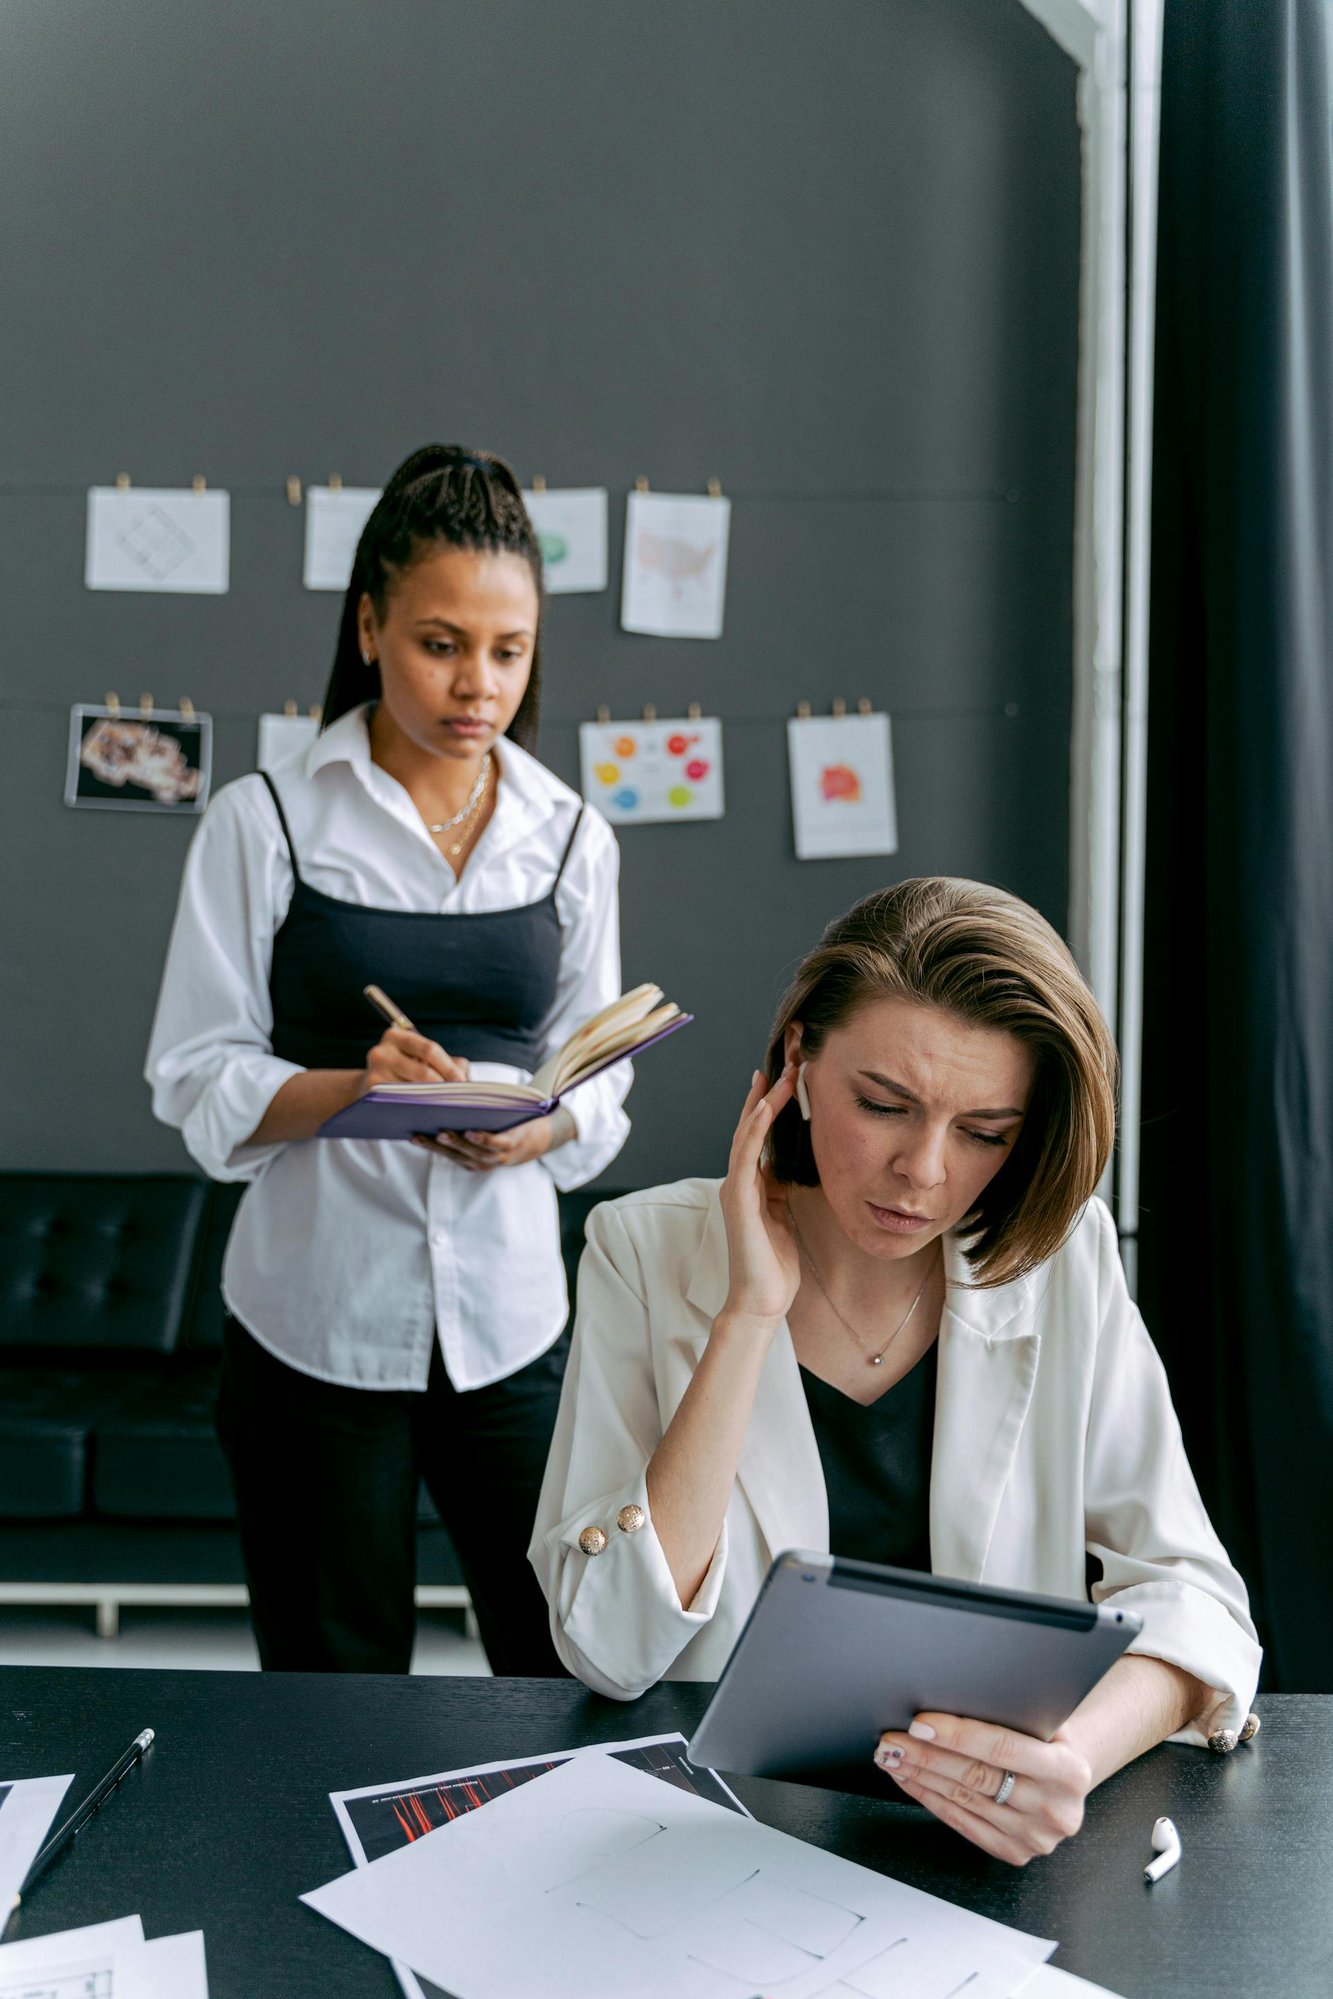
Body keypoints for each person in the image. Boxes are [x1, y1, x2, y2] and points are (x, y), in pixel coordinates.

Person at [531, 877, 1261, 1864]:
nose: (924, 1171)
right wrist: (748, 1313)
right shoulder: (640, 1250)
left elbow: (1197, 1599)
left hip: (984, 1850)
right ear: (796, 1060)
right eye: (884, 1104)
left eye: (984, 1132)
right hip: (723, 1838)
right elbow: (608, 1649)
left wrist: (1067, 1763)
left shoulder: (1061, 1256)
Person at [148, 443, 630, 1676]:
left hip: (515, 1324)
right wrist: (353, 1090)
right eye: (440, 642)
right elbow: (194, 1077)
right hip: (314, 1321)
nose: (479, 684)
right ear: (368, 626)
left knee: (564, 1666)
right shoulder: (263, 819)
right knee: (328, 1686)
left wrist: (543, 1124)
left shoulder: (570, 834)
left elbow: (601, 1076)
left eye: (508, 651)